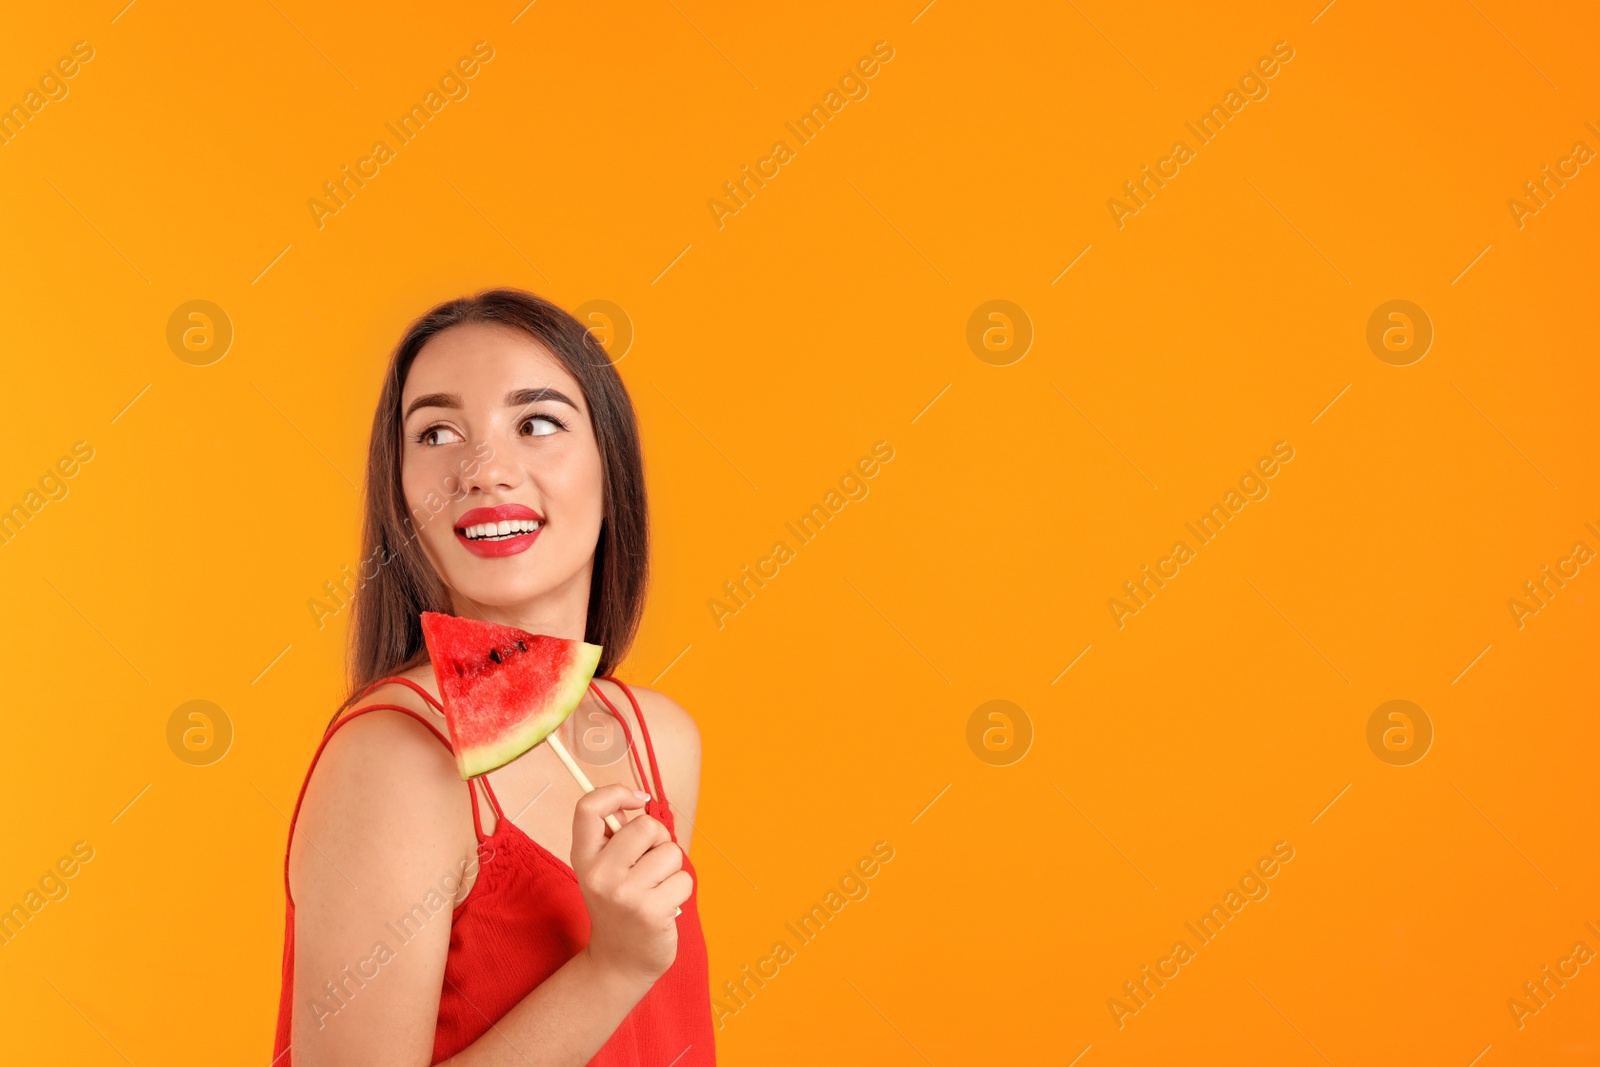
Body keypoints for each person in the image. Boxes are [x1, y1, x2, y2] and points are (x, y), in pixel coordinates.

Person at [271, 288, 714, 1065]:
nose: (483, 470)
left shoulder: (659, 740)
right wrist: (612, 968)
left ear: (610, 466)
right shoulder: (397, 764)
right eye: (437, 432)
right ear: (402, 493)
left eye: (536, 422)